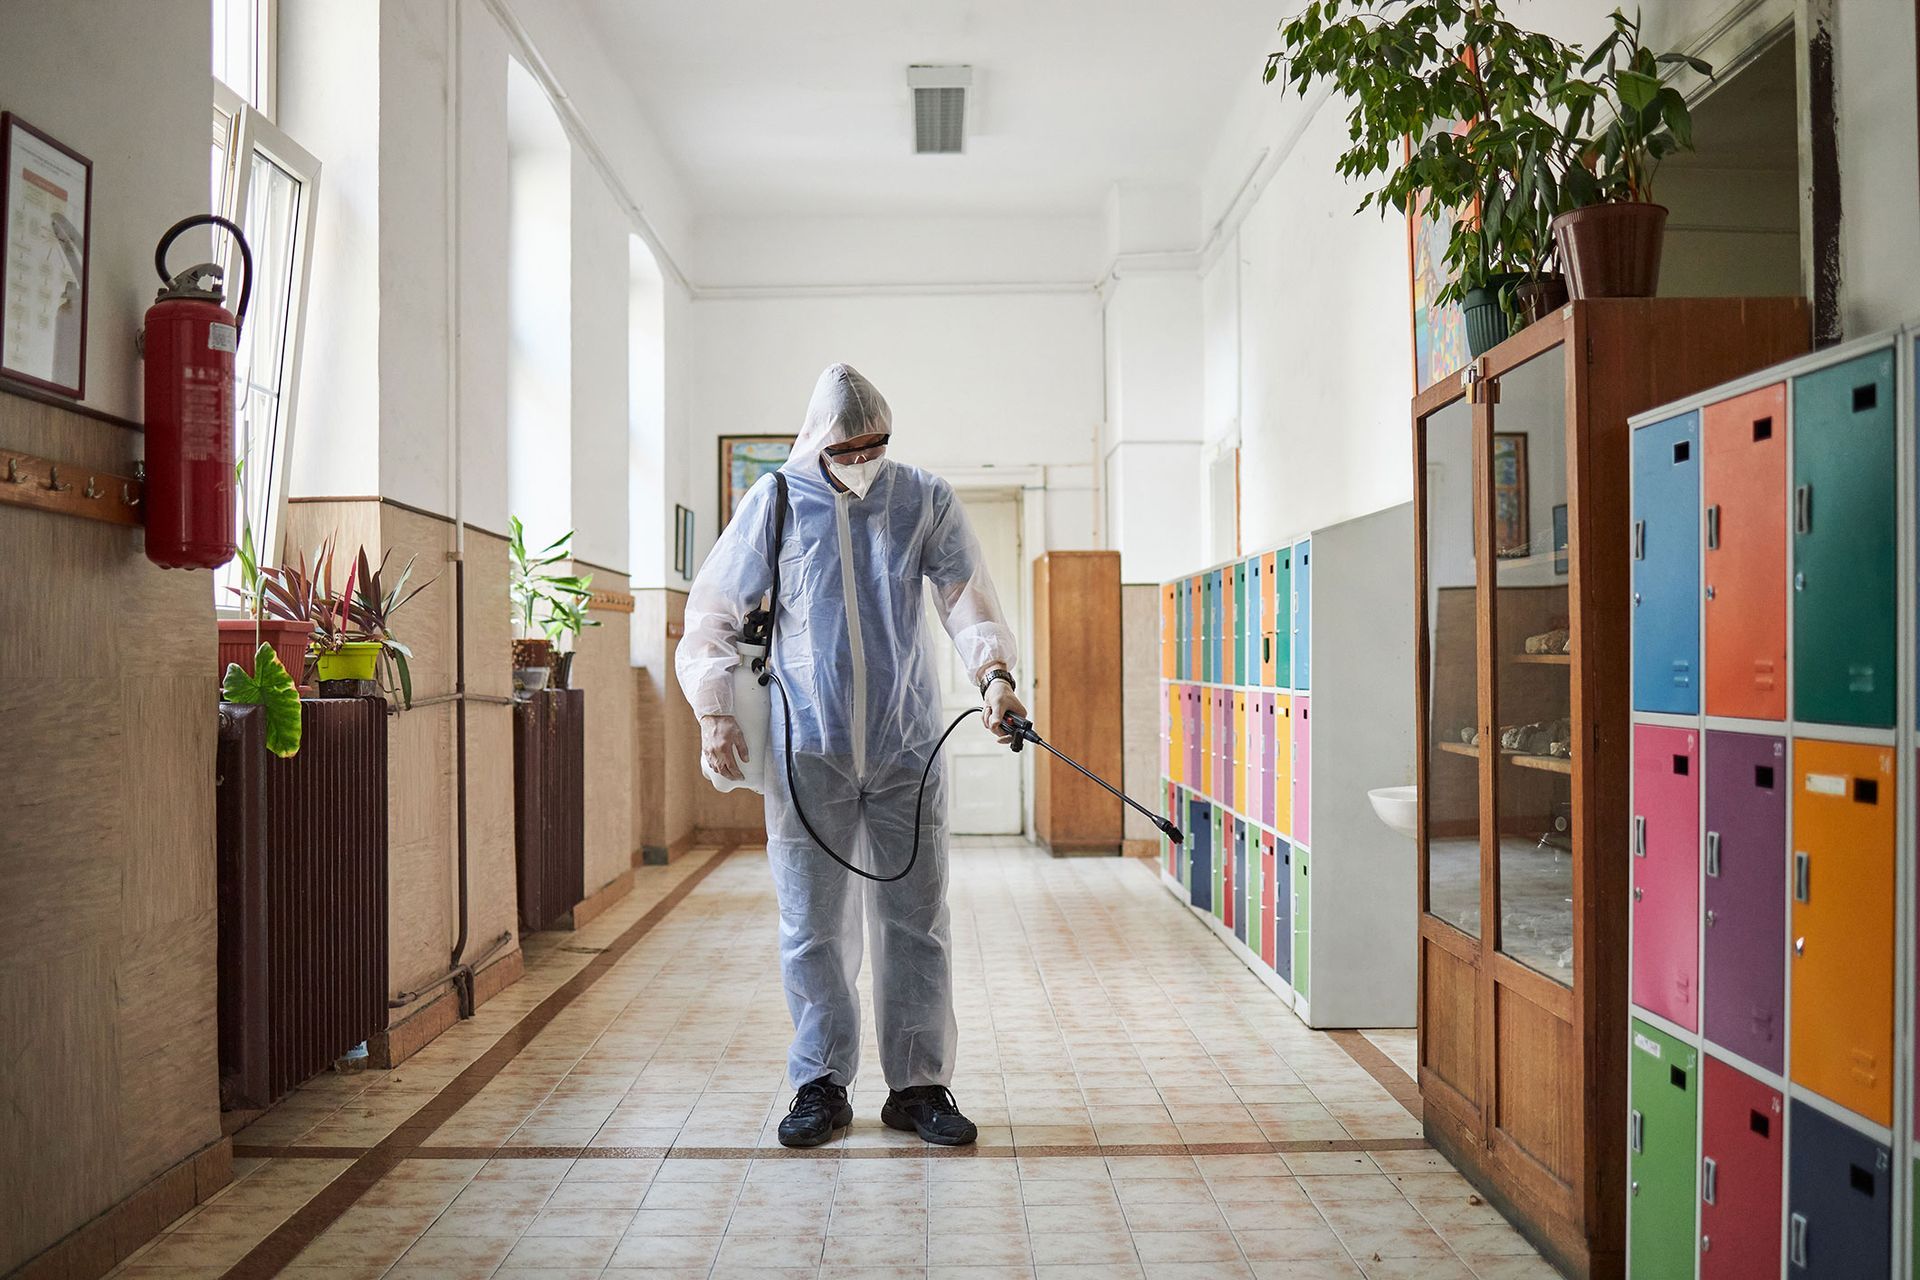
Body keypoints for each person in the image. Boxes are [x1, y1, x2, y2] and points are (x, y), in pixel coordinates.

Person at [677, 363, 1026, 1147]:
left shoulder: (923, 498)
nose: (866, 457)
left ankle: (920, 1085)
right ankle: (820, 1083)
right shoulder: (775, 501)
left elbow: (965, 597)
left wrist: (996, 677)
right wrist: (714, 712)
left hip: (906, 742)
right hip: (812, 750)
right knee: (811, 924)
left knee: (917, 920)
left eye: (878, 443)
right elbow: (712, 615)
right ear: (820, 442)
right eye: (852, 445)